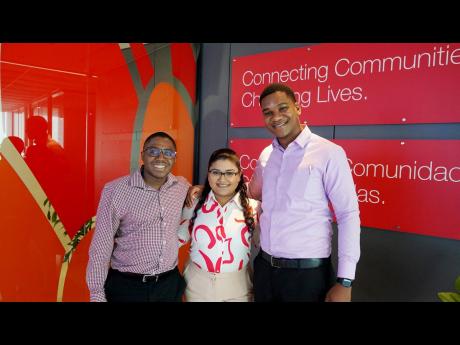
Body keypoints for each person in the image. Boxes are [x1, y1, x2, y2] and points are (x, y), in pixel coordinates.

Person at [187, 83, 360, 302]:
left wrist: (345, 280)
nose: (275, 116)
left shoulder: (328, 153)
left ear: (297, 107)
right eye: (267, 112)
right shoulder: (266, 156)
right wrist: (212, 187)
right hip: (264, 270)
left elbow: (348, 215)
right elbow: (250, 191)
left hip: (306, 275)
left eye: (282, 108)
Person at [86, 131, 190, 302]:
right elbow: (101, 247)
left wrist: (198, 189)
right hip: (127, 287)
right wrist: (97, 294)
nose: (161, 158)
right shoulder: (116, 190)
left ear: (174, 158)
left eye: (169, 153)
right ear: (142, 155)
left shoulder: (181, 187)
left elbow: (209, 195)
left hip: (168, 286)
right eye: (154, 151)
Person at [178, 148, 260, 302]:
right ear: (208, 174)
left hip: (239, 286)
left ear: (239, 176)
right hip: (196, 286)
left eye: (230, 173)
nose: (222, 179)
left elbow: (265, 242)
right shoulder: (194, 203)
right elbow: (177, 239)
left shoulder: (253, 207)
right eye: (215, 172)